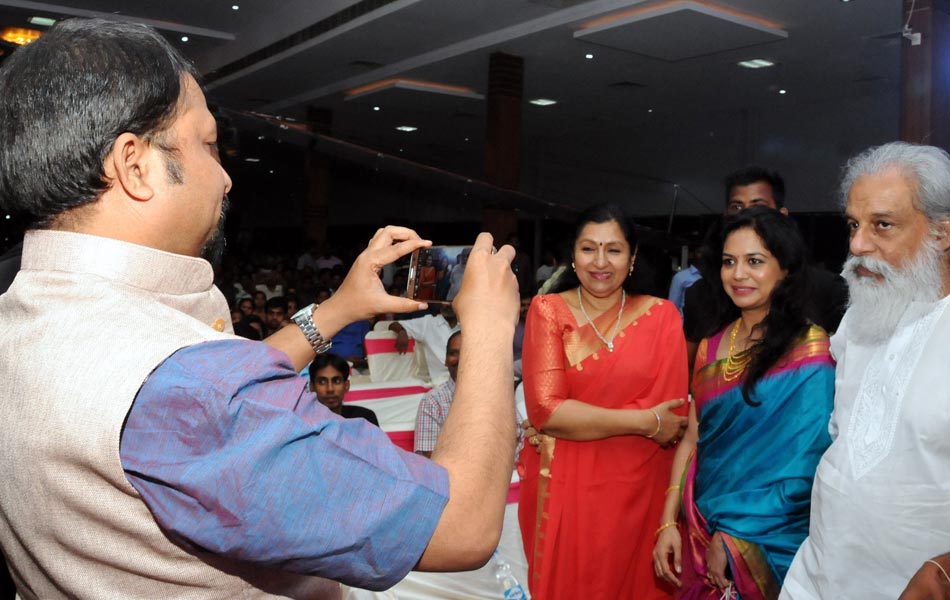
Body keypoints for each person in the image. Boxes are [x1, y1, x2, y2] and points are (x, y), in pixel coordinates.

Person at [0, 18, 520, 598]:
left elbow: (203, 405)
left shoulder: (24, 318)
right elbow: (463, 523)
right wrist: (491, 328)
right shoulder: (192, 392)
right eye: (206, 142)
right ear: (135, 165)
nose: (224, 178)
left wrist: (338, 309)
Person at [780, 142, 950, 600]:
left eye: (882, 225)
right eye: (854, 224)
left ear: (942, 233)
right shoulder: (860, 314)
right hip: (818, 574)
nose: (857, 245)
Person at [653, 207, 835, 599]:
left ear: (784, 268)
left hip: (775, 541)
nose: (738, 275)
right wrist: (669, 522)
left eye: (755, 261)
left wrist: (737, 534)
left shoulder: (810, 349)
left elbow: (806, 464)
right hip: (701, 531)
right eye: (728, 262)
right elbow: (692, 440)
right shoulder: (710, 346)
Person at [518, 203, 689, 599]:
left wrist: (583, 417)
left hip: (643, 488)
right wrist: (643, 421)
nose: (600, 262)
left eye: (613, 249)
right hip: (564, 484)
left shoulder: (661, 316)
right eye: (588, 248)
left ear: (632, 257)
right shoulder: (549, 311)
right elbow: (547, 410)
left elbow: (671, 416)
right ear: (571, 256)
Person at [683, 167, 847, 369]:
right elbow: (688, 372)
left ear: (782, 216)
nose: (746, 215)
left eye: (754, 261)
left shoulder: (826, 291)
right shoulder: (701, 296)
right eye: (737, 207)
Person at [414, 331, 463, 458]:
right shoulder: (433, 402)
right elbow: (430, 459)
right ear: (446, 360)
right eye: (453, 353)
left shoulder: (495, 397)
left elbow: (518, 442)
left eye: (466, 353)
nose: (460, 359)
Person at [389, 304, 460, 383]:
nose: (447, 305)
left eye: (451, 302)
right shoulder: (429, 322)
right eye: (443, 302)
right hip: (442, 379)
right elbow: (394, 324)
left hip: (467, 375)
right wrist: (402, 331)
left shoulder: (467, 323)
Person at [309, 354, 379, 426]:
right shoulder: (303, 423)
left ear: (346, 386)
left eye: (336, 381)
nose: (330, 389)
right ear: (312, 387)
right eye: (322, 382)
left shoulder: (364, 419)